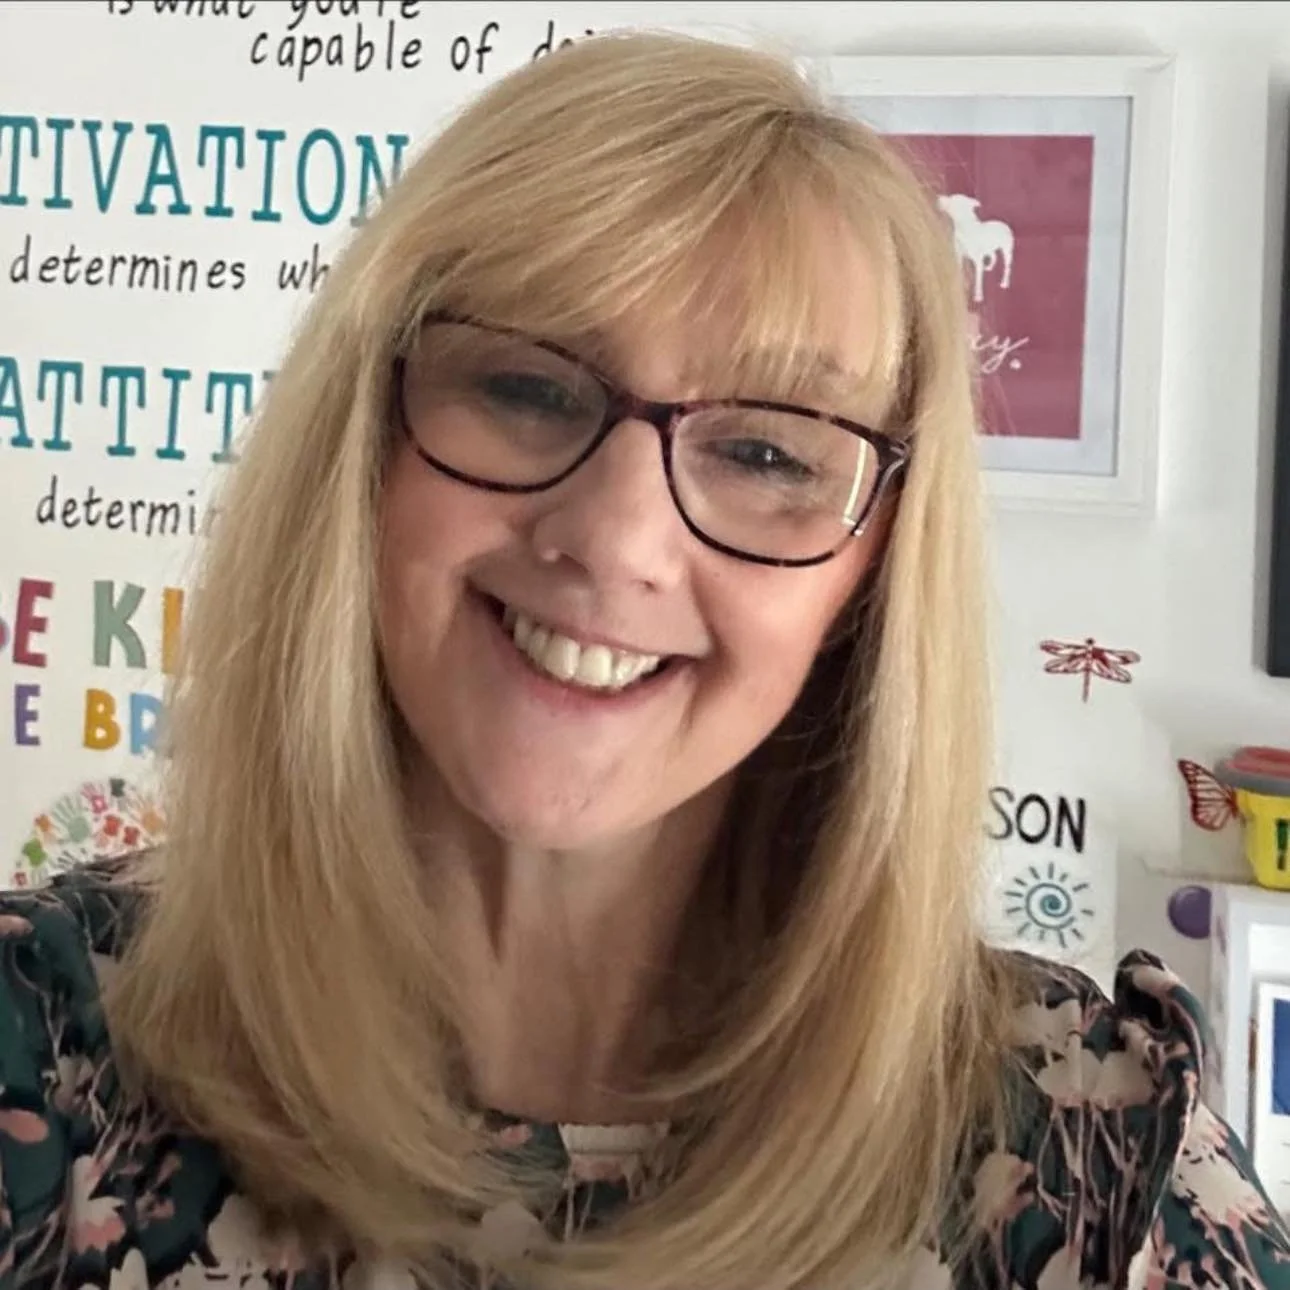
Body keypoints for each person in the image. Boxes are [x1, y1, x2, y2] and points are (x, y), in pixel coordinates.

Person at [1, 29, 1287, 1290]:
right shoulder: (44, 1053)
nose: (616, 542)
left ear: (869, 572)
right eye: (524, 386)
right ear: (363, 445)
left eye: (768, 454)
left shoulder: (1103, 1159)